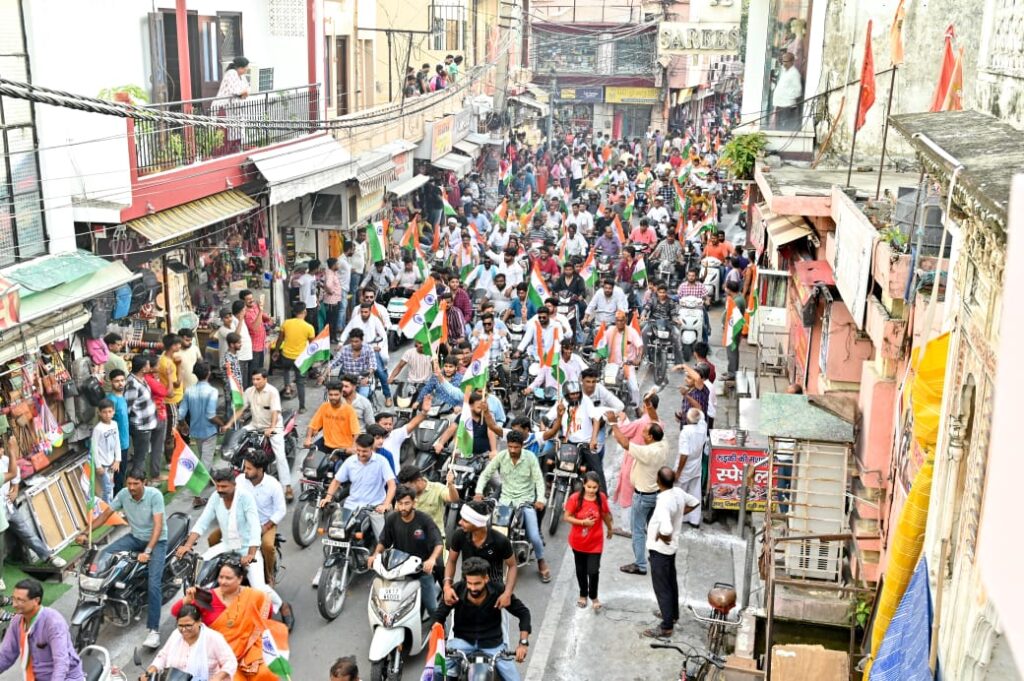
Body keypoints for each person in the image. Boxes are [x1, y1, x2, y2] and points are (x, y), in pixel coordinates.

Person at [86, 469, 167, 649]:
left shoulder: (155, 496)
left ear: (144, 482)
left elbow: (158, 526)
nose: (131, 487)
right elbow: (106, 514)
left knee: (154, 584)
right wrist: (87, 532)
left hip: (157, 542)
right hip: (135, 538)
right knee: (105, 555)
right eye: (129, 484)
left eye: (135, 484)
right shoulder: (123, 495)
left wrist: (148, 550)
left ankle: (154, 631)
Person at [170, 561, 289, 681]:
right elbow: (175, 612)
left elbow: (264, 616)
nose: (223, 581)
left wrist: (251, 636)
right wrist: (187, 600)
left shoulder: (253, 595)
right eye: (221, 577)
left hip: (250, 651)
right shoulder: (207, 598)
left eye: (228, 578)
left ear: (239, 579)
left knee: (266, 673)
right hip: (221, 657)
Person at [434, 557, 531, 681]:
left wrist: (523, 644)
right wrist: (439, 643)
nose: (473, 588)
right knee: (437, 671)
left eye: (477, 583)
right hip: (461, 643)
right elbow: (439, 617)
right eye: (470, 583)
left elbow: (523, 613)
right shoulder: (456, 590)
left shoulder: (499, 591)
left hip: (493, 644)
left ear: (486, 579)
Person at [176, 467, 269, 590]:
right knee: (199, 572)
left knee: (259, 590)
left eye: (224, 487)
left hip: (246, 549)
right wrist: (187, 545)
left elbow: (254, 527)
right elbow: (202, 522)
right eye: (218, 486)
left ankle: (281, 606)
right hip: (226, 546)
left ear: (234, 485)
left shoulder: (245, 498)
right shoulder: (215, 497)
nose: (220, 490)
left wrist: (251, 555)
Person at [475, 430, 550, 582]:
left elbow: (539, 481)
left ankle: (541, 561)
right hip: (505, 502)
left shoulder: (530, 458)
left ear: (522, 446)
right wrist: (478, 492)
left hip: (525, 502)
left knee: (535, 536)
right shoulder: (502, 456)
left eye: (516, 447)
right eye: (510, 447)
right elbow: (485, 474)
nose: (513, 450)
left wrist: (540, 498)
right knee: (492, 532)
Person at [606, 414, 668, 576]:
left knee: (638, 531)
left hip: (642, 497)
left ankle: (640, 564)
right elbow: (655, 419)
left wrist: (613, 423)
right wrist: (649, 406)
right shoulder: (663, 445)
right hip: (655, 494)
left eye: (645, 432)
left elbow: (624, 442)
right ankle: (657, 558)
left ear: (651, 437)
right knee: (653, 528)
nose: (642, 433)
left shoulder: (646, 452)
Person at [369, 485, 444, 617]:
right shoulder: (392, 519)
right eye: (400, 503)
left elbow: (438, 543)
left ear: (414, 503)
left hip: (421, 571)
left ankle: (442, 631)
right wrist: (375, 555)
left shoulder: (424, 520)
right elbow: (383, 541)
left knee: (432, 608)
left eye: (407, 503)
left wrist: (431, 560)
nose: (403, 507)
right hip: (398, 569)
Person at [643, 467, 698, 638]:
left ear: (658, 482)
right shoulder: (679, 493)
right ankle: (672, 615)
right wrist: (680, 515)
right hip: (671, 548)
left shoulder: (663, 502)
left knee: (662, 588)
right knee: (671, 583)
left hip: (660, 549)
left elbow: (666, 528)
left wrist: (661, 534)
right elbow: (695, 502)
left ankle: (666, 626)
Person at [223, 369, 293, 500]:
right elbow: (241, 409)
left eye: (258, 379)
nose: (255, 382)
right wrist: (229, 424)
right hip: (255, 425)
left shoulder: (272, 392)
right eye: (253, 379)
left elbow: (275, 412)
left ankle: (287, 487)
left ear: (265, 379)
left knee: (280, 456)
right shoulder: (249, 391)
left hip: (273, 426)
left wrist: (271, 428)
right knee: (238, 443)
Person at [0, 579, 85, 681]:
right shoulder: (17, 621)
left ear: (36, 600)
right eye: (14, 599)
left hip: (66, 678)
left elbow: (61, 663)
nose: (14, 605)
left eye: (20, 600)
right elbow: (6, 655)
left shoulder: (53, 623)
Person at [318, 433, 396, 540]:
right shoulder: (350, 461)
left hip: (374, 508)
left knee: (382, 541)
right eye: (358, 450)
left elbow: (391, 485)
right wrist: (328, 497)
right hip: (351, 506)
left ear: (371, 448)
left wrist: (385, 504)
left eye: (364, 451)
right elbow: (336, 481)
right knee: (334, 534)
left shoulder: (382, 462)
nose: (360, 454)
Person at [0, 450, 66, 573]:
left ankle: (48, 557)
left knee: (27, 532)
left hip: (8, 506)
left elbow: (16, 476)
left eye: (0, 449)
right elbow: (12, 473)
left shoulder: (6, 461)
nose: (0, 451)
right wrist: (12, 448)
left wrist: (15, 490)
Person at [443, 500, 517, 606]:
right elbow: (451, 561)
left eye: (465, 520)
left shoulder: (500, 540)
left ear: (477, 524)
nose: (460, 522)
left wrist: (507, 594)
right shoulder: (459, 535)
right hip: (467, 588)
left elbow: (512, 566)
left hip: (495, 593)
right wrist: (447, 586)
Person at [141, 604, 236, 681]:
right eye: (180, 625)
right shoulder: (176, 635)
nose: (184, 630)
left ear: (199, 622)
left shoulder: (213, 638)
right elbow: (163, 656)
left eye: (188, 625)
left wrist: (218, 677)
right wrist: (151, 670)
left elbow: (230, 662)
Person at [234, 451, 287, 587]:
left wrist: (265, 527)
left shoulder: (273, 485)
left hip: (265, 524)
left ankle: (269, 576)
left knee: (267, 546)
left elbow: (281, 510)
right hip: (243, 522)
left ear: (260, 469)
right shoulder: (240, 480)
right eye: (245, 467)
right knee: (215, 538)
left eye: (249, 468)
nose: (244, 471)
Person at [564, 471, 613, 611]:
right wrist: (583, 522)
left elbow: (604, 514)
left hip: (595, 543)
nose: (591, 490)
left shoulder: (601, 498)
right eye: (589, 487)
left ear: (598, 487)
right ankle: (583, 594)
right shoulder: (575, 499)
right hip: (578, 542)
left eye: (594, 487)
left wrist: (610, 528)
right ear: (584, 485)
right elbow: (566, 517)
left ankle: (594, 596)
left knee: (593, 571)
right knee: (581, 570)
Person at [178, 362, 224, 479]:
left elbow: (181, 413)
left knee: (204, 457)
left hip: (195, 431)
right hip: (209, 431)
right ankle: (198, 494)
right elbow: (211, 415)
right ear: (209, 373)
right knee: (206, 461)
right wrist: (222, 423)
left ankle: (210, 476)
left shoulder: (189, 390)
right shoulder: (212, 391)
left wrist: (183, 425)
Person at [396, 465, 458, 541]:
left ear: (418, 480)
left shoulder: (437, 488)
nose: (406, 490)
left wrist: (451, 484)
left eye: (409, 487)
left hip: (434, 538)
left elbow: (454, 499)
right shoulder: (404, 491)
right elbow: (397, 514)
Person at [124, 354, 157, 485]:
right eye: (148, 364)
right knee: (140, 457)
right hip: (140, 426)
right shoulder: (132, 384)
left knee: (142, 455)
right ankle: (138, 483)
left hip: (146, 424)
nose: (150, 366)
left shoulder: (140, 380)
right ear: (143, 368)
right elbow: (127, 406)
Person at [275, 305, 315, 411]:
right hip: (300, 359)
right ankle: (302, 407)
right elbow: (312, 346)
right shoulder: (309, 327)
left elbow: (280, 339)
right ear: (304, 312)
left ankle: (287, 388)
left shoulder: (286, 323)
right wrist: (312, 359)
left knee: (286, 370)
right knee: (300, 382)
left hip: (286, 356)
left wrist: (276, 351)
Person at [305, 381, 361, 454]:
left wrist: (353, 447)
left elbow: (356, 432)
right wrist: (308, 438)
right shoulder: (324, 407)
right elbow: (312, 425)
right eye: (331, 395)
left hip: (343, 447)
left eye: (336, 394)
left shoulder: (349, 410)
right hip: (326, 443)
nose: (333, 397)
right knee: (310, 461)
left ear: (341, 394)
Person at [676, 408, 707, 528]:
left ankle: (679, 517)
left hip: (686, 465)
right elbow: (700, 413)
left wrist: (678, 471)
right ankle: (694, 519)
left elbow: (684, 454)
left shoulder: (686, 432)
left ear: (688, 419)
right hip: (696, 464)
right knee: (695, 492)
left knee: (679, 492)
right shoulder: (702, 427)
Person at [214, 57, 250, 154]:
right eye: (245, 67)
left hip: (236, 108)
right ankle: (221, 155)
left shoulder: (242, 76)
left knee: (237, 132)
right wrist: (242, 93)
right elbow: (234, 91)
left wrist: (243, 93)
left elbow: (247, 90)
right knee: (225, 133)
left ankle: (234, 152)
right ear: (240, 67)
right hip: (225, 107)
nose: (247, 69)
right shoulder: (231, 73)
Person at [90, 399, 121, 503]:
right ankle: (107, 510)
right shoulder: (98, 429)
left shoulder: (114, 424)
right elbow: (94, 448)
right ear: (99, 413)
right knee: (107, 488)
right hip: (103, 465)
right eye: (104, 412)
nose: (107, 415)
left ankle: (109, 508)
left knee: (111, 486)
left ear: (113, 411)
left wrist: (117, 460)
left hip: (112, 463)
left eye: (109, 411)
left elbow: (117, 442)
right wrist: (98, 465)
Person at [241, 290, 273, 382]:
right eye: (248, 299)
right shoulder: (245, 313)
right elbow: (255, 327)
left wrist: (267, 318)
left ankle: (258, 389)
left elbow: (264, 317)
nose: (251, 300)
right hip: (253, 347)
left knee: (260, 370)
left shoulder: (255, 306)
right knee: (253, 372)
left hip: (261, 345)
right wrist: (261, 310)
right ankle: (250, 391)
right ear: (243, 301)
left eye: (252, 298)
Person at [773, 51, 803, 131]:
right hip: (780, 104)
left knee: (785, 128)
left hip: (787, 106)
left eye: (786, 61)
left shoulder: (794, 73)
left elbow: (798, 91)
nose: (784, 63)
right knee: (778, 127)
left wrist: (788, 97)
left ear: (792, 62)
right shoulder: (785, 71)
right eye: (783, 61)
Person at [723, 279, 746, 379]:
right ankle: (731, 370)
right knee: (733, 351)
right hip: (734, 328)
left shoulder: (737, 301)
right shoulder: (738, 297)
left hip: (733, 329)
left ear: (729, 289)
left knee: (732, 351)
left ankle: (732, 373)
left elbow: (733, 316)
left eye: (726, 287)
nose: (725, 289)